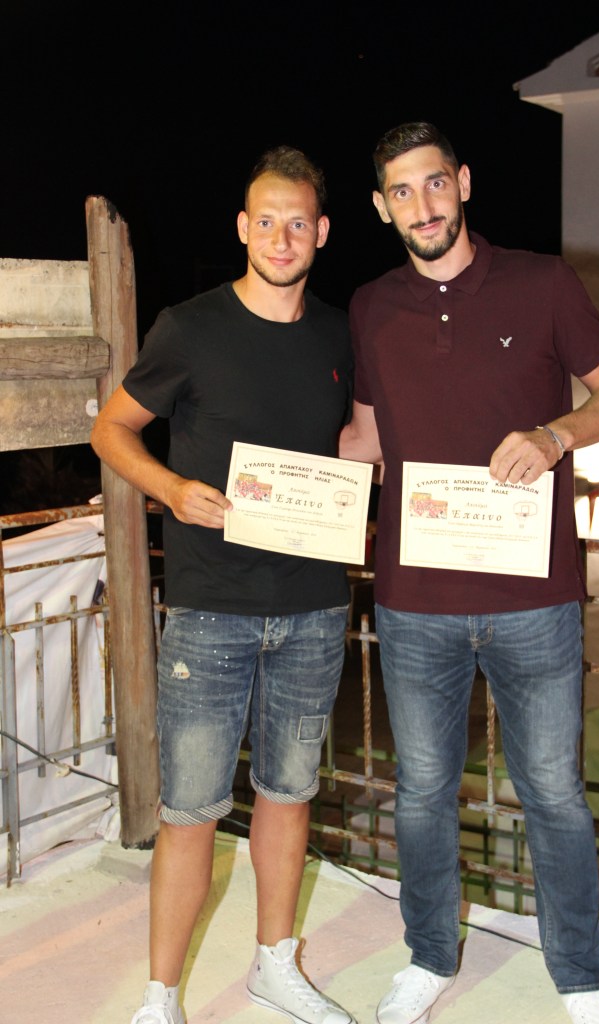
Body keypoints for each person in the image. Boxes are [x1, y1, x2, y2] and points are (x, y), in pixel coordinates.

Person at [339, 122, 599, 1024]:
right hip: (413, 601)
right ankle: (430, 957)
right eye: (401, 191)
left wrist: (555, 435)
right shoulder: (370, 306)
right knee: (421, 795)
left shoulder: (542, 282)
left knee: (553, 794)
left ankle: (579, 978)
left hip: (534, 599)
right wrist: (273, 478)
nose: (422, 205)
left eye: (434, 183)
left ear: (463, 182)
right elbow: (366, 440)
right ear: (381, 207)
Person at [92, 146, 356, 1024]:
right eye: (266, 221)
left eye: (297, 223)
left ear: (321, 232)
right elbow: (112, 430)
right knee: (191, 810)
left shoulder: (338, 333)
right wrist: (170, 489)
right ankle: (160, 998)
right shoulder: (190, 326)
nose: (281, 238)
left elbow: (354, 443)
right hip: (210, 612)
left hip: (314, 607)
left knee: (288, 796)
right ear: (243, 228)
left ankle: (274, 965)